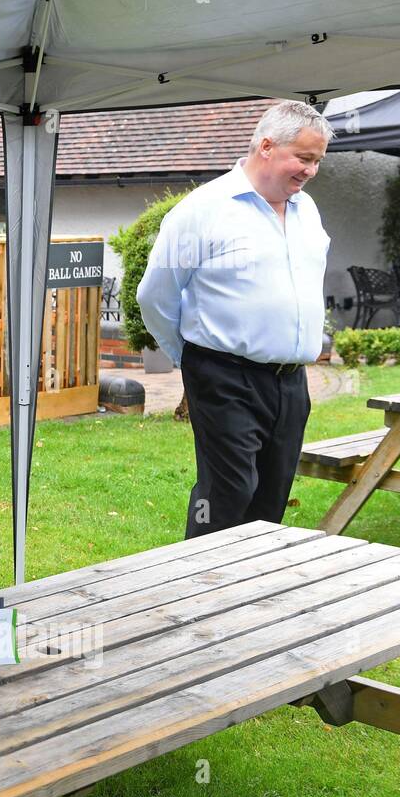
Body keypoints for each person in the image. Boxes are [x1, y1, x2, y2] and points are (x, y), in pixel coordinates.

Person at [137, 100, 333, 539]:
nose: (311, 171)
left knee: (272, 496)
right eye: (303, 158)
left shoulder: (308, 211)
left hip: (290, 382)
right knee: (227, 492)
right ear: (266, 146)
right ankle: (197, 581)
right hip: (224, 376)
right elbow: (156, 295)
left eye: (317, 161)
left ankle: (250, 596)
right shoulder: (203, 210)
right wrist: (190, 355)